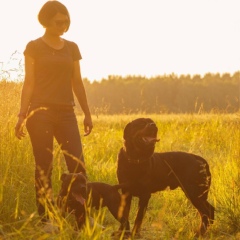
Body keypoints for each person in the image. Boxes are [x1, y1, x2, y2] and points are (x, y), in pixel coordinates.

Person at [14, 0, 93, 223]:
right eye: (59, 21)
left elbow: (77, 82)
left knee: (78, 166)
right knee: (44, 167)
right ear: (46, 21)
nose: (64, 25)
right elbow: (28, 83)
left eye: (66, 20)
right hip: (39, 114)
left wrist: (87, 113)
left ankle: (80, 217)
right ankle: (46, 219)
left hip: (67, 113)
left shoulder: (72, 47)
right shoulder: (34, 47)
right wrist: (21, 115)